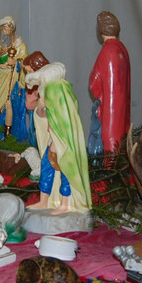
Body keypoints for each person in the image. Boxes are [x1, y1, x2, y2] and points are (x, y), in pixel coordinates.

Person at [25, 59, 91, 214]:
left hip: (63, 139)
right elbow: (43, 115)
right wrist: (41, 106)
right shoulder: (49, 91)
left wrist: (57, 142)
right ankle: (44, 200)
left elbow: (63, 120)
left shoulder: (58, 92)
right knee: (47, 165)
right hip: (53, 137)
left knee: (66, 167)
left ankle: (66, 202)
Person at [87, 11, 131, 155]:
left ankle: (105, 161)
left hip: (107, 105)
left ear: (100, 30)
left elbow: (95, 82)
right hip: (121, 104)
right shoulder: (121, 48)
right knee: (120, 131)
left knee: (106, 136)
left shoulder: (107, 50)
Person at [0, 15, 31, 141]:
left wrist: (16, 63)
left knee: (11, 104)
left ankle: (11, 136)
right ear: (0, 28)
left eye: (10, 29)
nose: (7, 32)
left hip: (13, 80)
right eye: (5, 28)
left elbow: (26, 63)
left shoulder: (19, 44)